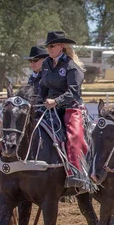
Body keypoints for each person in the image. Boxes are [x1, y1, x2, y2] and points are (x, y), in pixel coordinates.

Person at [39, 31, 93, 192]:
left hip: (71, 107)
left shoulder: (71, 66)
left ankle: (78, 174)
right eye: (48, 46)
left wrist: (56, 101)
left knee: (74, 136)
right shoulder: (46, 64)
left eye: (52, 46)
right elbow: (43, 86)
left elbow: (74, 92)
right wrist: (38, 101)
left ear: (61, 47)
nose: (49, 49)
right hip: (49, 107)